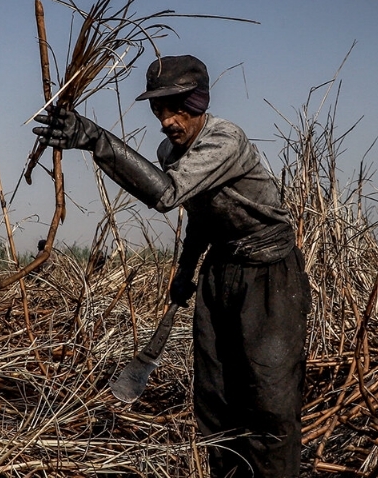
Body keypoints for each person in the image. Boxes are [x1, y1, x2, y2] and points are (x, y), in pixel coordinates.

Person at [33, 55, 311, 478]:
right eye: (159, 110)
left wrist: (95, 139)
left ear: (199, 103)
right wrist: (186, 269)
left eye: (176, 108)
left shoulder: (225, 140)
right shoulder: (170, 151)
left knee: (269, 401)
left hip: (268, 274)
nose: (167, 121)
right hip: (220, 271)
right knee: (215, 400)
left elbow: (168, 196)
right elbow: (203, 212)